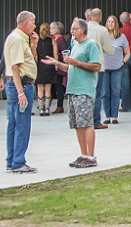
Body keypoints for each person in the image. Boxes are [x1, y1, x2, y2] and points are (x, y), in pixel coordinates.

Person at [43, 18, 102, 169]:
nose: (71, 31)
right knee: (77, 124)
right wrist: (57, 64)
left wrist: (77, 63)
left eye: (74, 28)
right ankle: (83, 155)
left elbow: (96, 66)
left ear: (82, 30)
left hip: (84, 89)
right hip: (72, 89)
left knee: (87, 123)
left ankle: (91, 156)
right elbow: (70, 67)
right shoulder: (75, 45)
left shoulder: (91, 45)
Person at [3, 11, 39, 173]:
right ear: (25, 23)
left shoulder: (18, 38)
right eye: (33, 22)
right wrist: (20, 92)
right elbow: (15, 67)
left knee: (14, 123)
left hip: (17, 84)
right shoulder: (17, 39)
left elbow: (28, 60)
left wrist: (33, 46)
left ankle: (12, 160)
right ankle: (18, 161)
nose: (34, 25)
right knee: (22, 124)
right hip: (22, 85)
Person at [87, 9, 115, 129]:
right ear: (100, 17)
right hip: (98, 65)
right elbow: (109, 49)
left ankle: (85, 120)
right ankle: (96, 121)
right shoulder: (102, 30)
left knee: (86, 94)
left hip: (84, 65)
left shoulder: (84, 27)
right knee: (97, 94)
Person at [102, 18, 130, 124]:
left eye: (112, 22)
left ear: (116, 24)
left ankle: (114, 116)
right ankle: (107, 116)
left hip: (117, 68)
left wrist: (123, 62)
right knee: (105, 93)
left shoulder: (122, 37)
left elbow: (127, 52)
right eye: (108, 21)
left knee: (116, 92)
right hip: (104, 68)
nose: (110, 23)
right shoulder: (103, 37)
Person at [34, 22, 56, 116]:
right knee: (48, 88)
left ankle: (41, 109)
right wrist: (56, 64)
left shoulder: (36, 41)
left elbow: (35, 55)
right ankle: (47, 108)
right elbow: (55, 53)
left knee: (40, 88)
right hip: (50, 64)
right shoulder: (52, 41)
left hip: (40, 65)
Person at [50, 21, 69, 114]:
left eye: (52, 28)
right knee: (56, 85)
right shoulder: (55, 39)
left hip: (59, 66)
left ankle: (60, 105)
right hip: (57, 65)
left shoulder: (60, 40)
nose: (50, 30)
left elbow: (64, 52)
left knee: (58, 86)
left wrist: (60, 62)